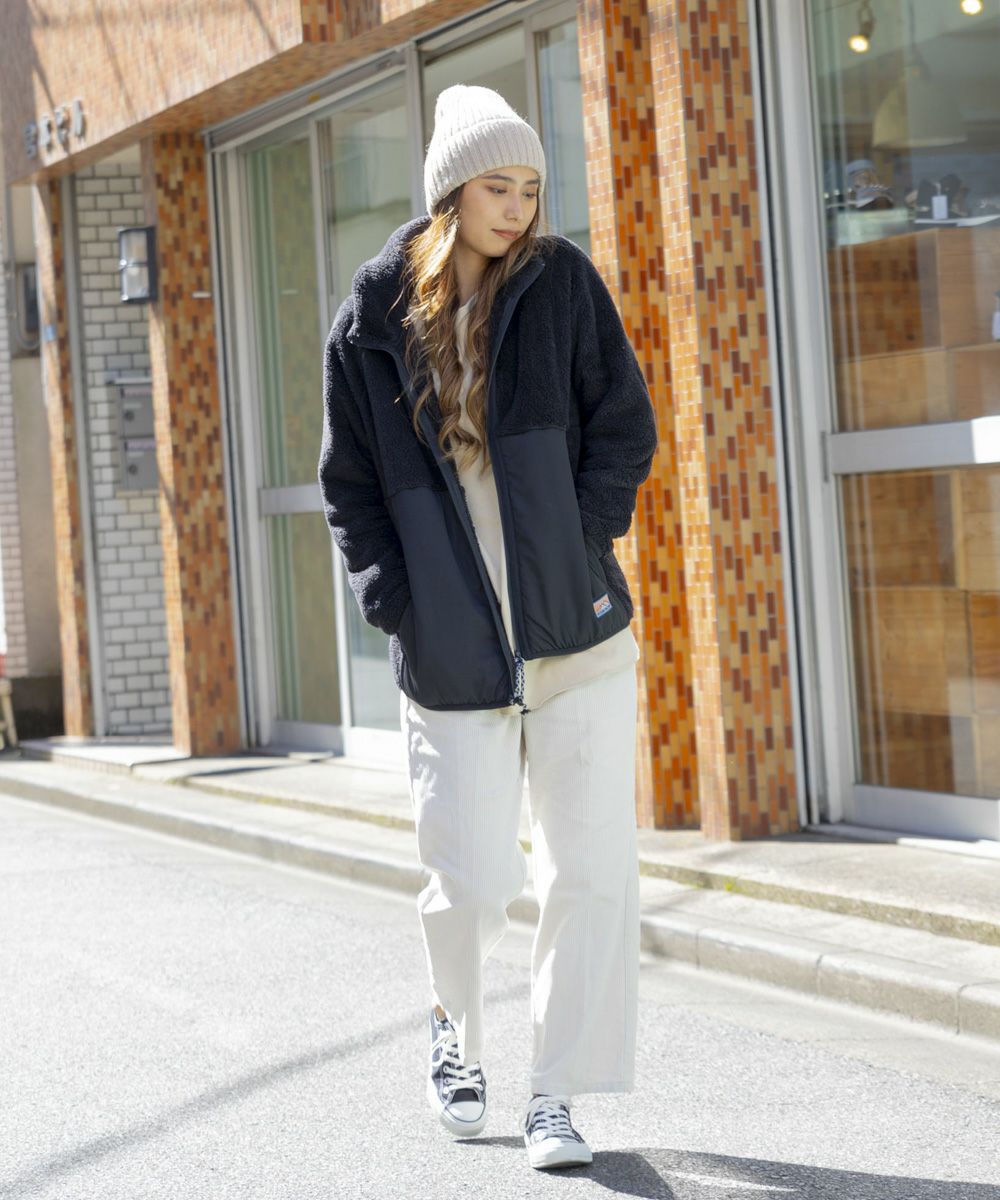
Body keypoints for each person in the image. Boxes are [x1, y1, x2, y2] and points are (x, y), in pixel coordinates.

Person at [318, 83, 658, 1170]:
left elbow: (626, 425)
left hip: (578, 640)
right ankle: (455, 1036)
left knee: (588, 875)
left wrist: (581, 541)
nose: (518, 208)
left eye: (530, 188)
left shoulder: (561, 286)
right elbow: (349, 487)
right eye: (497, 187)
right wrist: (398, 604)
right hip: (452, 649)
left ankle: (557, 1093)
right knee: (470, 880)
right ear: (450, 193)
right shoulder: (373, 320)